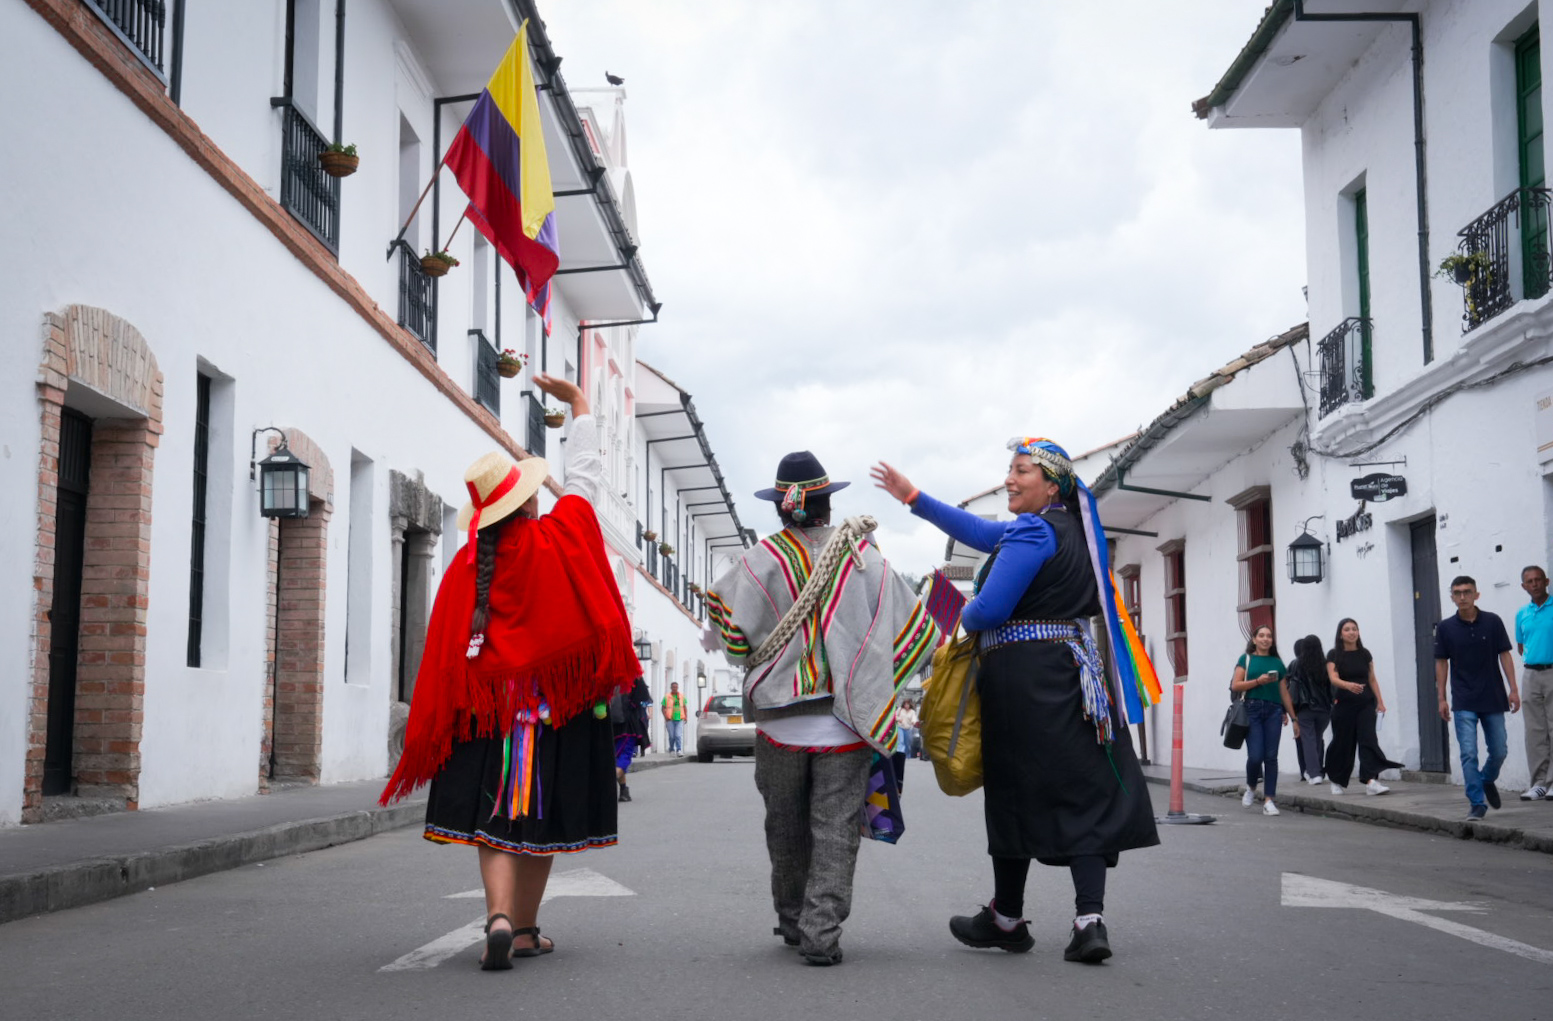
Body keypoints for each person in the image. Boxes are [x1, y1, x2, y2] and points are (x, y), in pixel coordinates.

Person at [380, 375, 639, 971]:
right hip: (557, 719)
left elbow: (444, 657)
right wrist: (579, 409)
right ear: (526, 502)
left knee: (494, 820)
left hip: (488, 721)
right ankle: (523, 930)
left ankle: (496, 916)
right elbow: (584, 482)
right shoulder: (562, 537)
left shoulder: (466, 567)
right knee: (540, 824)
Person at [872, 439, 1159, 964]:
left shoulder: (1032, 531)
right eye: (1009, 468)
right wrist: (914, 496)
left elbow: (984, 614)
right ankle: (1089, 919)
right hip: (1077, 675)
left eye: (1021, 470)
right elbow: (981, 533)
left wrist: (961, 606)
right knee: (1084, 790)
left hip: (1023, 681)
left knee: (1013, 791)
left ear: (1052, 484)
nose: (1008, 478)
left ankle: (1006, 918)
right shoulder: (1072, 531)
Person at [706, 452, 936, 967]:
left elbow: (736, 645)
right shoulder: (867, 560)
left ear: (781, 508)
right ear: (829, 504)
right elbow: (915, 633)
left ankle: (792, 919)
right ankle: (821, 930)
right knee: (835, 830)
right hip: (848, 721)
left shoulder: (758, 562)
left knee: (784, 826)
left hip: (780, 724)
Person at [1435, 576, 1521, 820]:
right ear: (1452, 597)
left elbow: (1505, 655)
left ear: (1476, 595)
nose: (1462, 597)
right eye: (1457, 593)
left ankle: (1487, 779)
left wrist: (1513, 688)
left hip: (1493, 696)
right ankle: (1476, 802)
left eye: (1467, 592)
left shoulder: (1493, 622)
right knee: (1469, 752)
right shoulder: (1445, 628)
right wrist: (1441, 698)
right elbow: (1441, 663)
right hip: (1463, 698)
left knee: (1499, 750)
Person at [1323, 618, 1402, 796]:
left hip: (1366, 704)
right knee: (1343, 743)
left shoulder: (1365, 654)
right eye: (1347, 630)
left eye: (1354, 629)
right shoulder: (1334, 654)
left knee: (1368, 740)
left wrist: (1380, 701)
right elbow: (1333, 678)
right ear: (1340, 634)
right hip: (1343, 705)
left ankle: (1371, 781)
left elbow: (1372, 679)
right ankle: (1336, 779)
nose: (1351, 632)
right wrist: (1348, 685)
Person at [1230, 625, 1299, 816]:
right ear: (1254, 639)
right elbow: (1235, 685)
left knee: (1271, 757)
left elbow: (1284, 692)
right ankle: (1251, 787)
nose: (1265, 639)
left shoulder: (1277, 663)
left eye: (1269, 636)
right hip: (1251, 709)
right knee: (1255, 756)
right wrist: (1258, 681)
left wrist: (1293, 717)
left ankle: (1269, 799)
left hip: (1274, 711)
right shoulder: (1246, 659)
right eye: (1261, 635)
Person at [1516, 565, 1553, 800]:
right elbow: (1521, 646)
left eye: (1538, 579)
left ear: (1546, 581)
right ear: (1523, 586)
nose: (1535, 584)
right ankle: (1539, 782)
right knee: (1535, 731)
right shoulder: (1522, 613)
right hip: (1531, 675)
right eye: (1530, 581)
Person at [1286, 635, 1332, 786]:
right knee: (1317, 739)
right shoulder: (1325, 664)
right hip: (1324, 710)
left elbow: (1285, 685)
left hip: (1305, 709)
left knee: (1309, 741)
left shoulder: (1296, 664)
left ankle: (1314, 773)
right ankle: (1317, 770)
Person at [612, 677, 652, 802]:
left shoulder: (609, 674)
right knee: (620, 759)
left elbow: (646, 701)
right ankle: (620, 788)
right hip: (621, 725)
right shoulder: (632, 676)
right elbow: (645, 699)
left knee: (620, 758)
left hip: (620, 725)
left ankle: (619, 788)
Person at [892, 700, 919, 791]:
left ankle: (906, 754)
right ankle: (900, 753)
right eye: (905, 704)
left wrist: (913, 722)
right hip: (900, 727)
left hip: (908, 728)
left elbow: (914, 718)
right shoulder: (900, 709)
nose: (906, 706)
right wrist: (899, 719)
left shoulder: (912, 712)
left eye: (908, 704)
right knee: (901, 742)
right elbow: (894, 716)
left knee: (908, 742)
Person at [661, 680, 689, 757]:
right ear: (671, 688)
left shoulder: (681, 696)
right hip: (670, 719)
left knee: (678, 735)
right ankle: (671, 749)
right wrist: (665, 716)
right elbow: (663, 708)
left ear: (678, 688)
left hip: (680, 718)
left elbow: (684, 707)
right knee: (672, 736)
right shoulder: (667, 697)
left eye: (676, 687)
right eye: (673, 687)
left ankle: (679, 749)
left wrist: (686, 716)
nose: (675, 688)